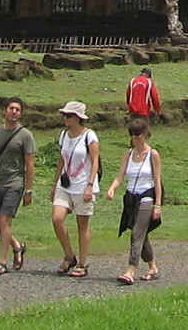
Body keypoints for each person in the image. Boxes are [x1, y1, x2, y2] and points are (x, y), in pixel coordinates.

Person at [105, 117, 165, 285]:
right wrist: (112, 188)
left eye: (138, 134)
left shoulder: (153, 154)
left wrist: (157, 205)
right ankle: (153, 266)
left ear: (146, 134)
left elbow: (157, 180)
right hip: (131, 197)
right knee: (141, 233)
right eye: (132, 134)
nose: (135, 138)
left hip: (147, 196)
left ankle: (131, 269)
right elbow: (120, 175)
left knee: (136, 233)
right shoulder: (128, 154)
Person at [0, 96, 37, 273]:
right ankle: (17, 246)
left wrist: (29, 189)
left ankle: (1, 261)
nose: (14, 112)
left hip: (15, 183)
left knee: (5, 220)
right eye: (11, 108)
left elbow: (29, 164)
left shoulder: (25, 135)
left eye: (17, 109)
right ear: (4, 111)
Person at [50, 100, 100, 276]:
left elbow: (95, 161)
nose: (66, 118)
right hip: (65, 184)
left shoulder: (89, 135)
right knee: (57, 218)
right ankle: (69, 255)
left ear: (79, 118)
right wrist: (54, 183)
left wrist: (90, 186)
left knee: (82, 225)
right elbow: (61, 160)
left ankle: (83, 263)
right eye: (64, 115)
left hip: (82, 185)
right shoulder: (64, 135)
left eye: (69, 116)